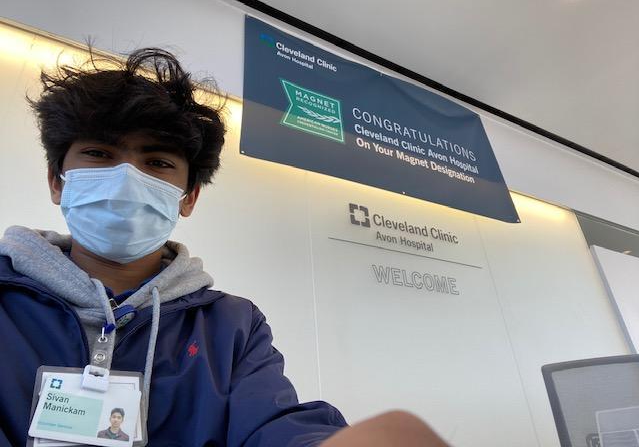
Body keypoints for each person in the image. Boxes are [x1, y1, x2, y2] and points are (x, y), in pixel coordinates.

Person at [0, 47, 447, 446]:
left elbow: (270, 422)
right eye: (99, 154)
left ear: (188, 198)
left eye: (157, 161)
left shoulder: (232, 325)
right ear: (57, 181)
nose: (127, 178)